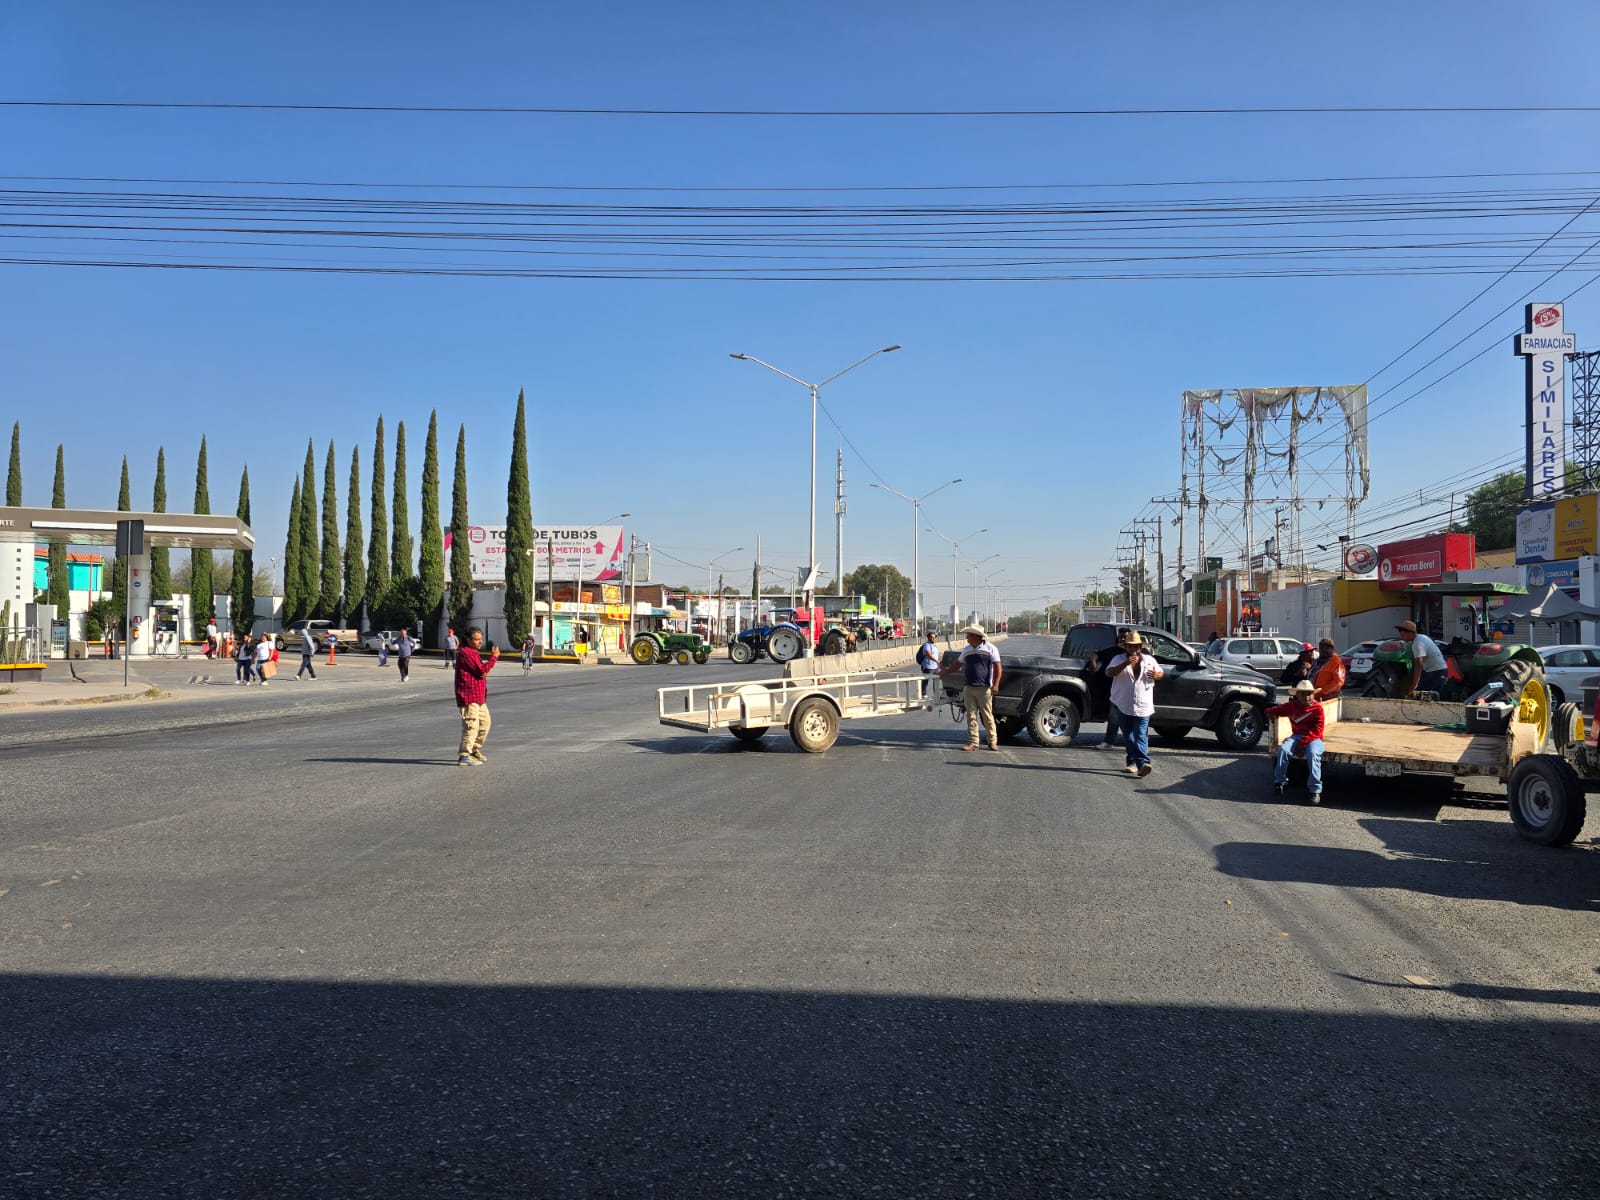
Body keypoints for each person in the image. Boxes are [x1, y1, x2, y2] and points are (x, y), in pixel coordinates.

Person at [1107, 631, 1164, 777]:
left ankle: (1143, 763)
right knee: (1129, 736)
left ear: (1140, 647)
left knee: (1140, 735)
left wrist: (1156, 675)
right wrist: (1126, 663)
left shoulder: (1149, 660)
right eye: (1130, 646)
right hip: (1123, 704)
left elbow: (1160, 673)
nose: (1133, 649)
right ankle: (1132, 762)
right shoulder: (1118, 659)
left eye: (1136, 646)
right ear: (1126, 647)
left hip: (1143, 705)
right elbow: (1109, 673)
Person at [944, 624, 1002, 751]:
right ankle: (974, 742)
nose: (967, 638)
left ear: (976, 636)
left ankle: (992, 741)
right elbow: (957, 664)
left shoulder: (990, 648)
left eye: (968, 635)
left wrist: (996, 684)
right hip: (969, 687)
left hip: (984, 688)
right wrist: (945, 672)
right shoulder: (967, 649)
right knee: (971, 716)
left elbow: (998, 668)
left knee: (987, 716)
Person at [1268, 679, 1326, 803]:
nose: (1307, 697)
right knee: (1283, 750)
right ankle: (1280, 782)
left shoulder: (1317, 709)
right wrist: (1268, 712)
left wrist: (1302, 744)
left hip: (1314, 738)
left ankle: (1315, 790)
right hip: (1296, 736)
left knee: (1313, 754)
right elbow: (1276, 709)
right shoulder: (1291, 706)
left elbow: (1317, 730)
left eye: (1309, 693)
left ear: (1313, 694)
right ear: (1297, 695)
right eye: (1303, 694)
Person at [454, 627, 500, 766]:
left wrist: (484, 671)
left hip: (479, 696)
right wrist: (494, 657)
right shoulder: (466, 653)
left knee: (485, 724)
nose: (480, 642)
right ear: (468, 640)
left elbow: (482, 672)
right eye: (477, 639)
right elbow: (481, 671)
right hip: (469, 696)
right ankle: (464, 755)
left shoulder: (473, 652)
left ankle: (474, 749)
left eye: (481, 639)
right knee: (471, 727)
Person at [1090, 629, 1131, 750]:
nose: (1122, 639)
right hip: (1118, 692)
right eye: (1120, 637)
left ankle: (1137, 743)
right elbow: (1098, 655)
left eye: (1124, 637)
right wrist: (1093, 660)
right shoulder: (1115, 654)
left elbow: (1154, 665)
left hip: (1135, 693)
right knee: (1114, 717)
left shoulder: (1142, 654)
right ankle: (1109, 741)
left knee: (1137, 721)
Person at [1397, 619, 1447, 694]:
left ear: (1410, 633)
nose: (1401, 637)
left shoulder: (1417, 643)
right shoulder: (1421, 637)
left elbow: (1418, 665)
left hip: (1437, 673)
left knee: (1422, 695)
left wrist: (1414, 685)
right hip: (1436, 671)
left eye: (1403, 635)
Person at [915, 630, 943, 708]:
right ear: (928, 638)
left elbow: (935, 655)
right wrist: (937, 661)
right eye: (931, 637)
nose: (933, 639)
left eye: (934, 637)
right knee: (926, 680)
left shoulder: (934, 646)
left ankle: (937, 693)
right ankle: (923, 694)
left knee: (938, 679)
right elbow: (928, 654)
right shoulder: (926, 645)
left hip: (935, 667)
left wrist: (938, 663)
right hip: (928, 666)